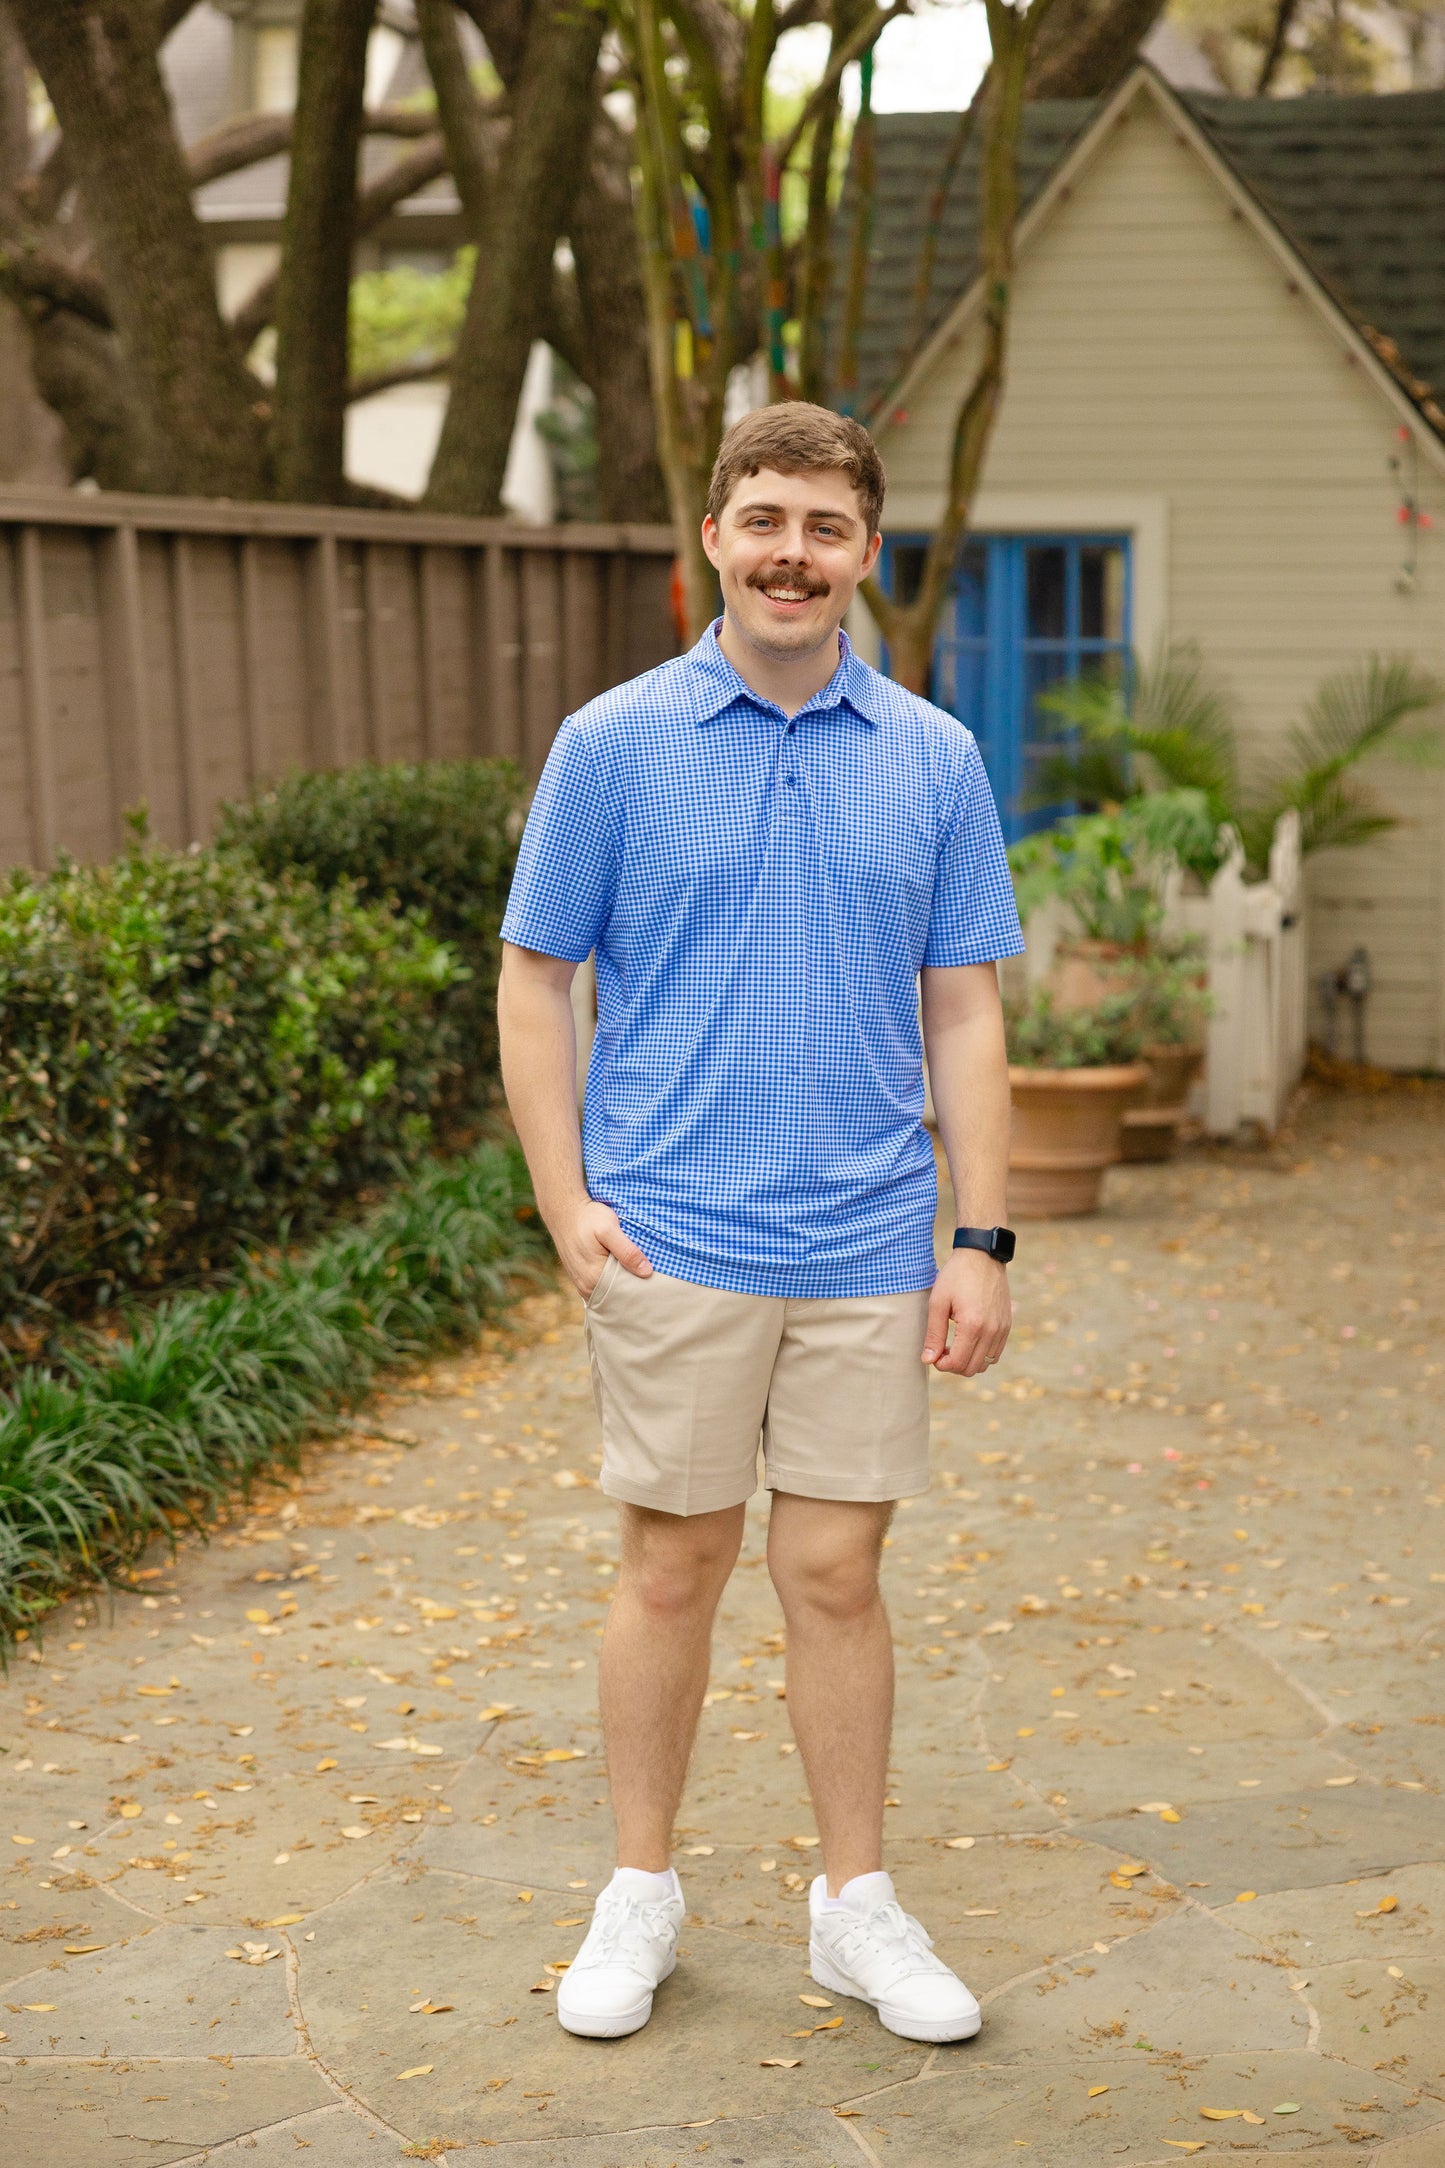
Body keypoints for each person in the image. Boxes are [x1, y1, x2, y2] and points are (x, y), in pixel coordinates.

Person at [497, 402, 1024, 2046]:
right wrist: (564, 1200)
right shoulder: (612, 744)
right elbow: (534, 978)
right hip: (675, 1236)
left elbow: (965, 1013)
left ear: (867, 555)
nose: (793, 552)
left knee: (834, 1573)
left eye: (826, 526)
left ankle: (852, 1911)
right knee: (671, 1572)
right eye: (765, 519)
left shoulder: (932, 757)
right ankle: (639, 1895)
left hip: (870, 1242)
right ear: (712, 539)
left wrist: (980, 1237)